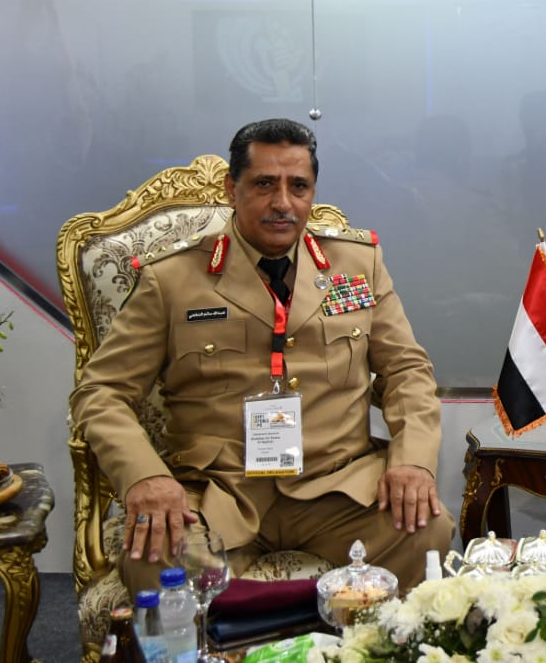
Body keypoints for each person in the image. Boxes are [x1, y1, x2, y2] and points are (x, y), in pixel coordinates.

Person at [70, 118, 453, 595]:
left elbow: (407, 370)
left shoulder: (357, 265)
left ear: (312, 192)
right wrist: (144, 478)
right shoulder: (171, 279)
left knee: (425, 531)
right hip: (220, 494)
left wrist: (413, 461)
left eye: (298, 187)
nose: (282, 203)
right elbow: (101, 392)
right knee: (156, 556)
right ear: (232, 189)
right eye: (265, 184)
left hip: (335, 488)